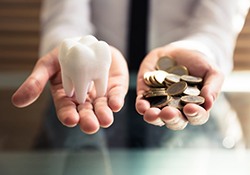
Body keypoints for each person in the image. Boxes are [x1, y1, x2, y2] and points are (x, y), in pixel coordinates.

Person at [12, 0, 250, 149]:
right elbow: (65, 15)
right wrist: (68, 48)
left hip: (199, 141)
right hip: (95, 93)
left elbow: (217, 23)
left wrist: (200, 52)